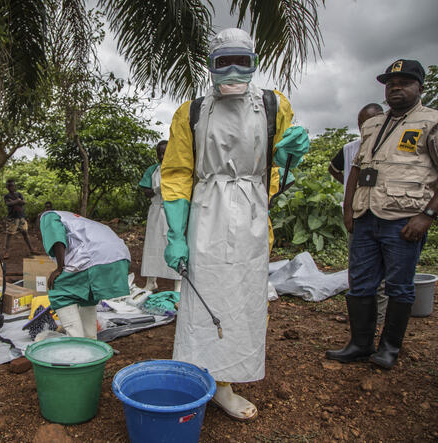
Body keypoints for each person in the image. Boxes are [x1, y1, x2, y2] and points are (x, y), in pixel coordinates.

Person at [160, 28, 309, 420]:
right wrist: (176, 236)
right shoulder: (189, 113)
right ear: (210, 65)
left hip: (252, 213)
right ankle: (204, 378)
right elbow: (176, 174)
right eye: (222, 62)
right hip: (206, 213)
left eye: (240, 61)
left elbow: (278, 168)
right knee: (203, 296)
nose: (232, 71)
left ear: (253, 62)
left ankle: (228, 376)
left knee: (243, 296)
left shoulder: (274, 105)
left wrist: (290, 154)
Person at [326, 59, 438, 369]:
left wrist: (427, 214)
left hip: (404, 219)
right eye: (390, 83)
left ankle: (389, 348)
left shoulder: (431, 122)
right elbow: (357, 170)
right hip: (366, 216)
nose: (395, 87)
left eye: (404, 82)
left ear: (420, 88)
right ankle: (360, 344)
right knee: (360, 283)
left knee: (399, 286)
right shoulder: (373, 124)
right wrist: (349, 210)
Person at [328, 103, 388, 324]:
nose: (369, 127)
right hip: (358, 215)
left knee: (383, 273)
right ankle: (360, 319)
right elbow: (335, 170)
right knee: (358, 267)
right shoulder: (351, 148)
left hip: (386, 214)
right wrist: (349, 200)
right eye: (364, 123)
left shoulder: (391, 147)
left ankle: (380, 319)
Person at [39, 210, 131, 338]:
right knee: (87, 294)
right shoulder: (71, 218)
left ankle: (76, 340)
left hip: (95, 256)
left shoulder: (48, 216)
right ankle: (90, 340)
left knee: (59, 289)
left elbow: (57, 239)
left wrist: (59, 268)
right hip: (119, 255)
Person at [139, 140, 182, 293]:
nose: (163, 156)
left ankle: (178, 283)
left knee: (174, 245)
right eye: (160, 153)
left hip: (174, 211)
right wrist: (156, 190)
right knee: (153, 246)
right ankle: (151, 281)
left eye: (165, 152)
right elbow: (145, 192)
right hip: (156, 210)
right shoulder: (152, 170)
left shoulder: (178, 169)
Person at [3, 179, 36, 259]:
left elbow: (24, 202)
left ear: (15, 186)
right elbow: (8, 203)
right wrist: (17, 201)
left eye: (12, 185)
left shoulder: (19, 194)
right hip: (12, 218)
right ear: (7, 187)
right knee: (9, 234)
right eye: (9, 186)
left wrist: (15, 201)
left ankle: (31, 249)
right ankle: (6, 252)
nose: (11, 187)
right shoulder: (7, 196)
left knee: (25, 233)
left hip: (21, 217)